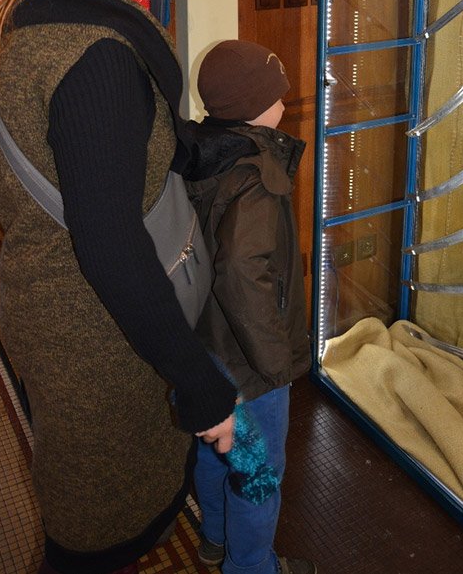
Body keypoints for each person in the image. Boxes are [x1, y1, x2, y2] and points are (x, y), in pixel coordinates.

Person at [0, 0, 237, 574]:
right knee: (92, 537)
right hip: (101, 345)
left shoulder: (14, 16)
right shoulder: (92, 53)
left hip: (46, 310)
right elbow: (112, 247)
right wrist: (199, 382)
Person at [186, 40, 316, 574]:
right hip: (249, 363)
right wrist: (275, 361)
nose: (285, 102)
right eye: (278, 95)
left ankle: (215, 539)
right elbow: (241, 270)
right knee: (256, 473)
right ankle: (252, 566)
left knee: (216, 450)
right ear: (256, 107)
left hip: (205, 343)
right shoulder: (257, 176)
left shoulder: (203, 151)